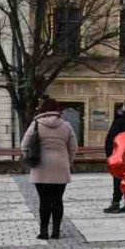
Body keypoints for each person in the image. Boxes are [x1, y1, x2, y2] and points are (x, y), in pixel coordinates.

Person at [21, 98, 77, 240]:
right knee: (57, 200)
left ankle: (44, 231)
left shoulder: (36, 124)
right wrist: (68, 161)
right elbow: (73, 147)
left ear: (41, 109)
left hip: (41, 167)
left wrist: (30, 157)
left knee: (44, 200)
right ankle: (56, 231)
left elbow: (24, 145)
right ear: (57, 109)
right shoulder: (66, 125)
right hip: (60, 166)